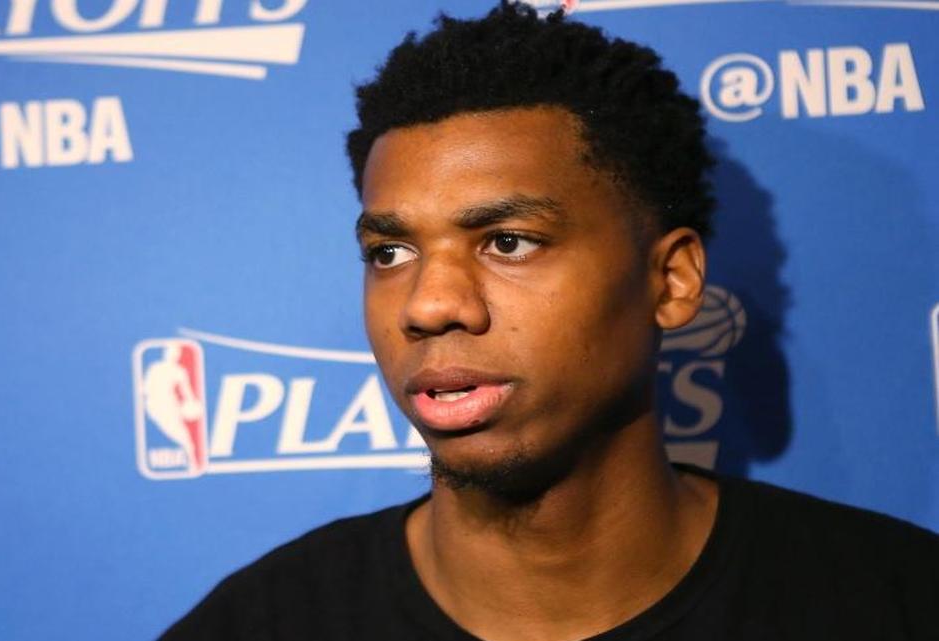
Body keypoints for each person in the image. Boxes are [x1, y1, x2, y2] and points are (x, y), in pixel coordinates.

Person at [159, 3, 939, 640]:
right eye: (391, 252)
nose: (430, 305)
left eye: (508, 242)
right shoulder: (261, 622)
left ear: (670, 280)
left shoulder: (893, 600)